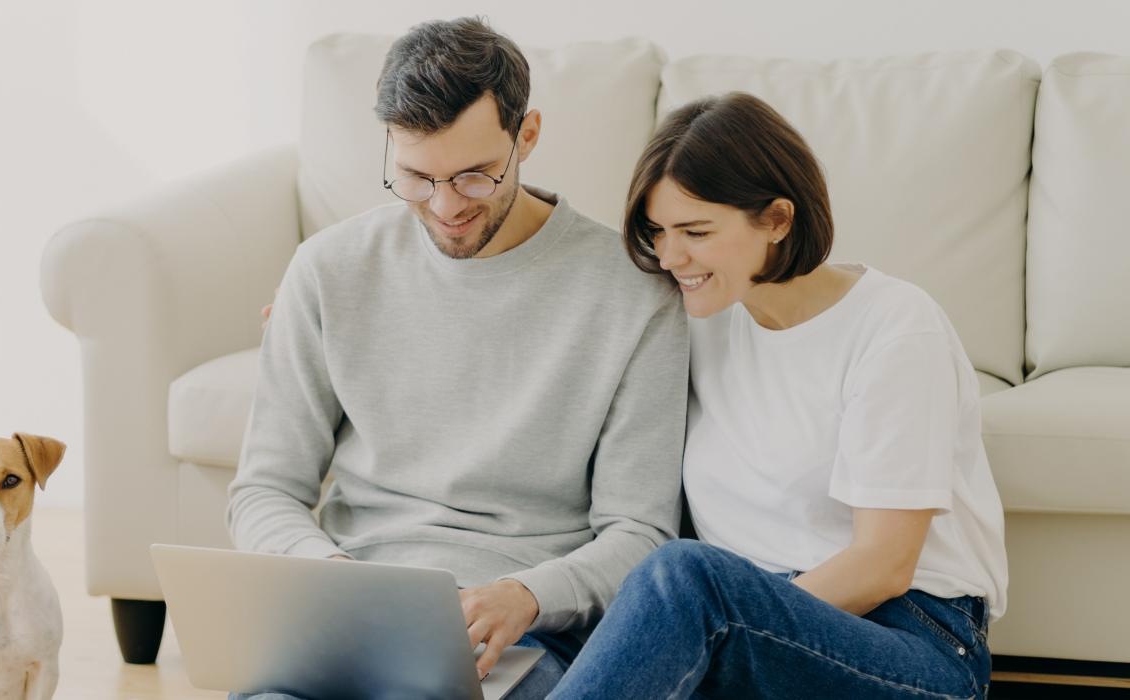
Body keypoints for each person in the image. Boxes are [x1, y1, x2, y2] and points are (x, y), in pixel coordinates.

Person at [227, 17, 688, 698]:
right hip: (349, 612)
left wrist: (526, 595)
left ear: (526, 136)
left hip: (522, 629)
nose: (445, 207)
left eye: (474, 177)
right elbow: (264, 490)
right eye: (416, 177)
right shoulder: (328, 268)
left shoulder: (632, 292)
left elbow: (640, 533)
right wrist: (324, 571)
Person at [547, 92, 1008, 699]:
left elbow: (883, 565)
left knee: (685, 576)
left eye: (696, 231)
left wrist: (731, 624)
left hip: (911, 640)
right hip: (749, 626)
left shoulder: (895, 327)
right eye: (657, 231)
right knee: (544, 648)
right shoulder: (698, 319)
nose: (670, 256)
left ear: (778, 219)